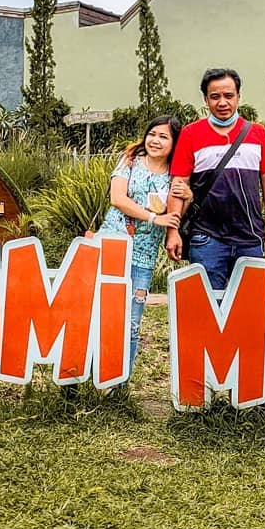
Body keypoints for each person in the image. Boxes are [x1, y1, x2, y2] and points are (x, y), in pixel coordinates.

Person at [164, 68, 265, 290]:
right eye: (215, 96)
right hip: (207, 239)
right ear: (205, 100)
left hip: (250, 237)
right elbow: (178, 186)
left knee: (253, 306)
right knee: (208, 309)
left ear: (239, 97)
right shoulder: (191, 135)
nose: (222, 102)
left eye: (229, 96)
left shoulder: (257, 134)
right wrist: (173, 231)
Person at [99, 115, 183, 367]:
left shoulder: (177, 175)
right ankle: (89, 374)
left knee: (132, 322)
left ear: (174, 142)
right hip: (112, 247)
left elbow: (175, 214)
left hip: (143, 257)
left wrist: (187, 196)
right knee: (100, 312)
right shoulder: (130, 160)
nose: (155, 141)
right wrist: (152, 218)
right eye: (152, 134)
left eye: (163, 136)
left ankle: (120, 384)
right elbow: (118, 198)